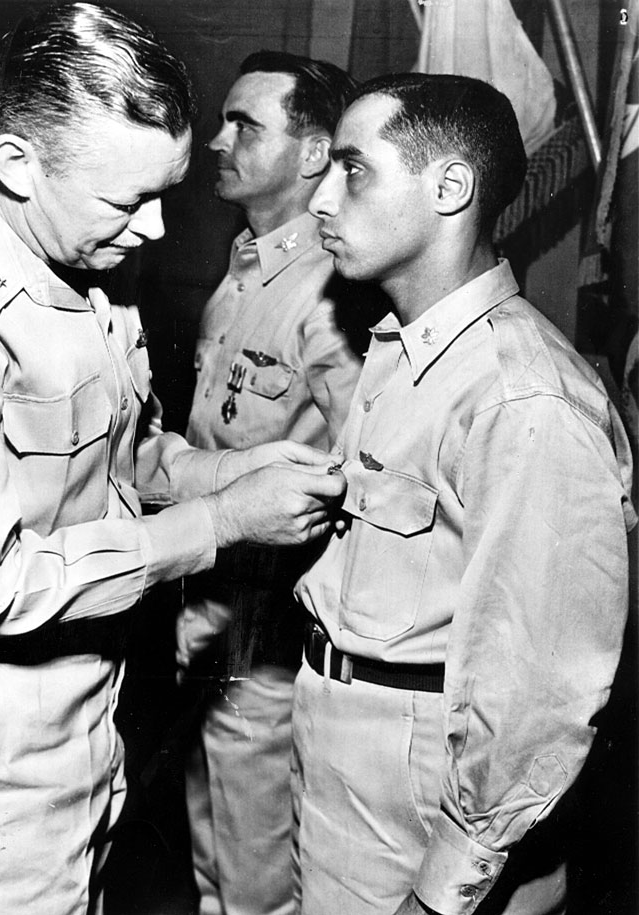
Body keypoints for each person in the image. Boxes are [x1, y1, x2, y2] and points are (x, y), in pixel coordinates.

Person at [0, 6, 347, 915]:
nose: (155, 229)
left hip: (80, 719)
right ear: (18, 168)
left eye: (166, 192)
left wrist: (234, 475)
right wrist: (222, 524)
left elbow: (131, 450)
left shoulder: (82, 274)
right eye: (128, 201)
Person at [293, 73, 637, 915]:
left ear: (451, 187)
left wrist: (444, 891)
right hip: (344, 749)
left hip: (425, 791)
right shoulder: (401, 350)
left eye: (353, 169)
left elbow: (540, 690)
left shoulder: (523, 397)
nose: (320, 202)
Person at [175, 50, 361, 915]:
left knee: (257, 889)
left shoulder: (335, 290)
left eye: (245, 124)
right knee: (214, 865)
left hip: (270, 639)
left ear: (316, 153)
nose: (217, 139)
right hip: (203, 618)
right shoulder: (245, 264)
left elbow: (366, 470)